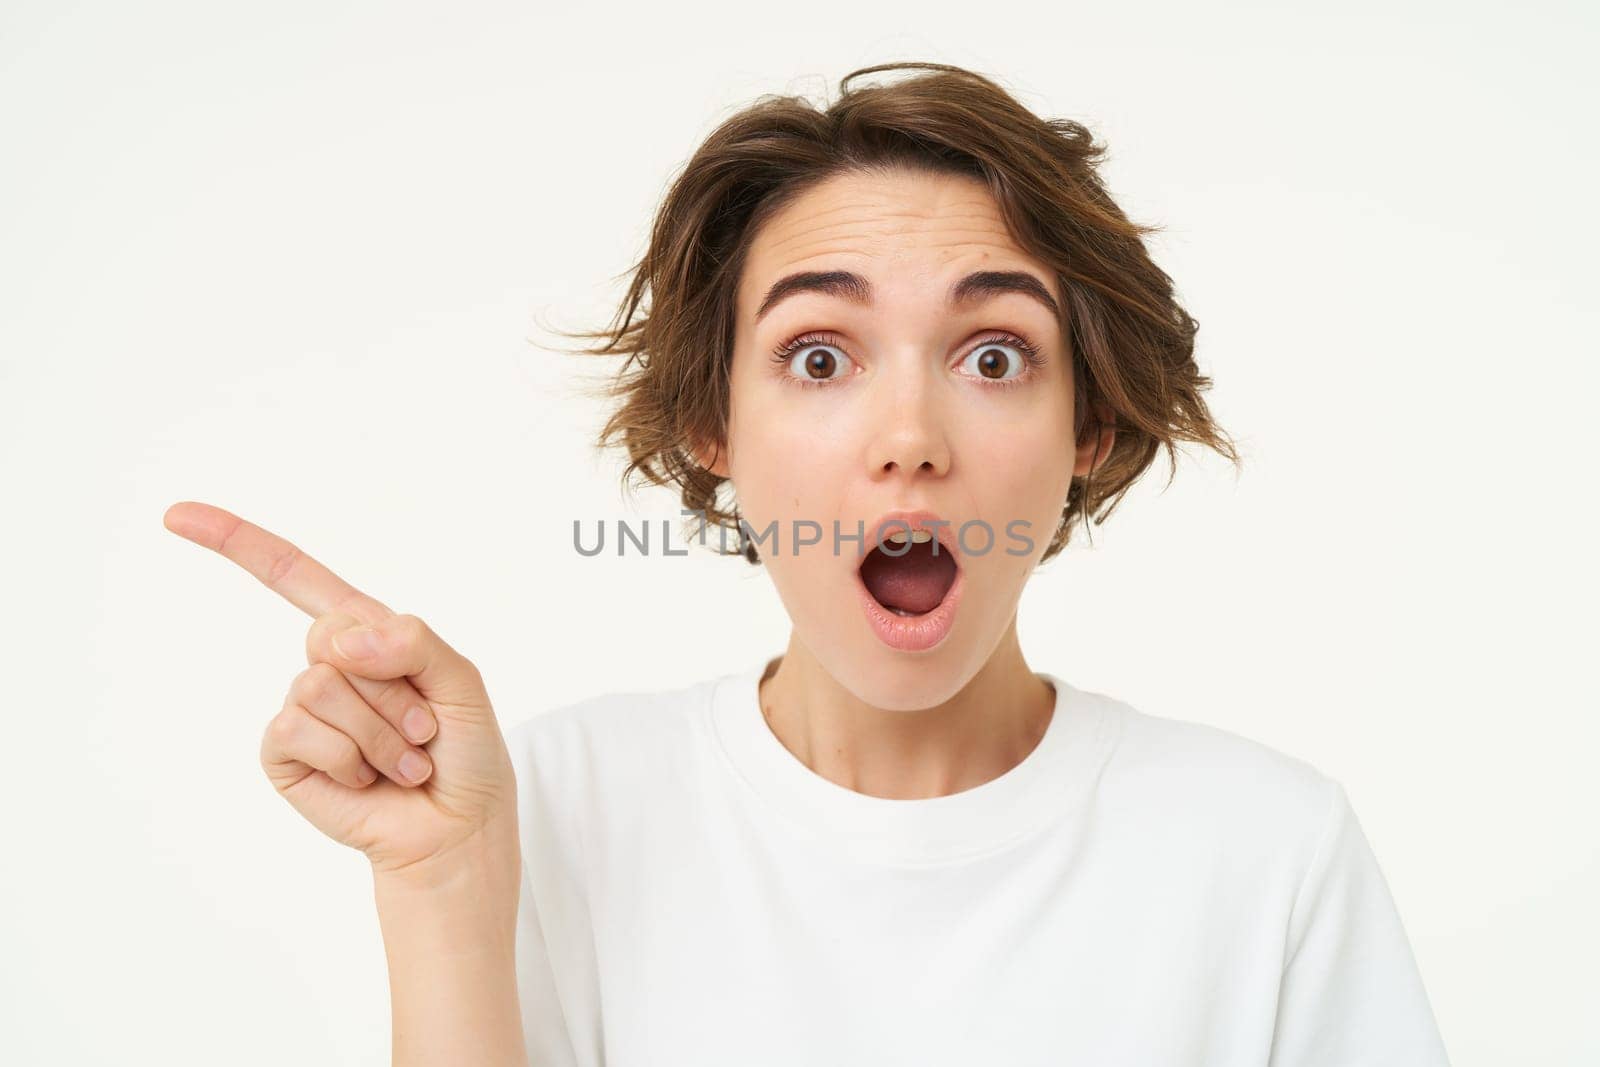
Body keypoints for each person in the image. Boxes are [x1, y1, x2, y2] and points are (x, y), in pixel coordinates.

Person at [164, 62, 1451, 1066]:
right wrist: (442, 891)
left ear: (1089, 427)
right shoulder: (546, 803)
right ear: (711, 424)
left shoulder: (1264, 844)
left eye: (993, 354)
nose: (908, 441)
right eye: (820, 356)